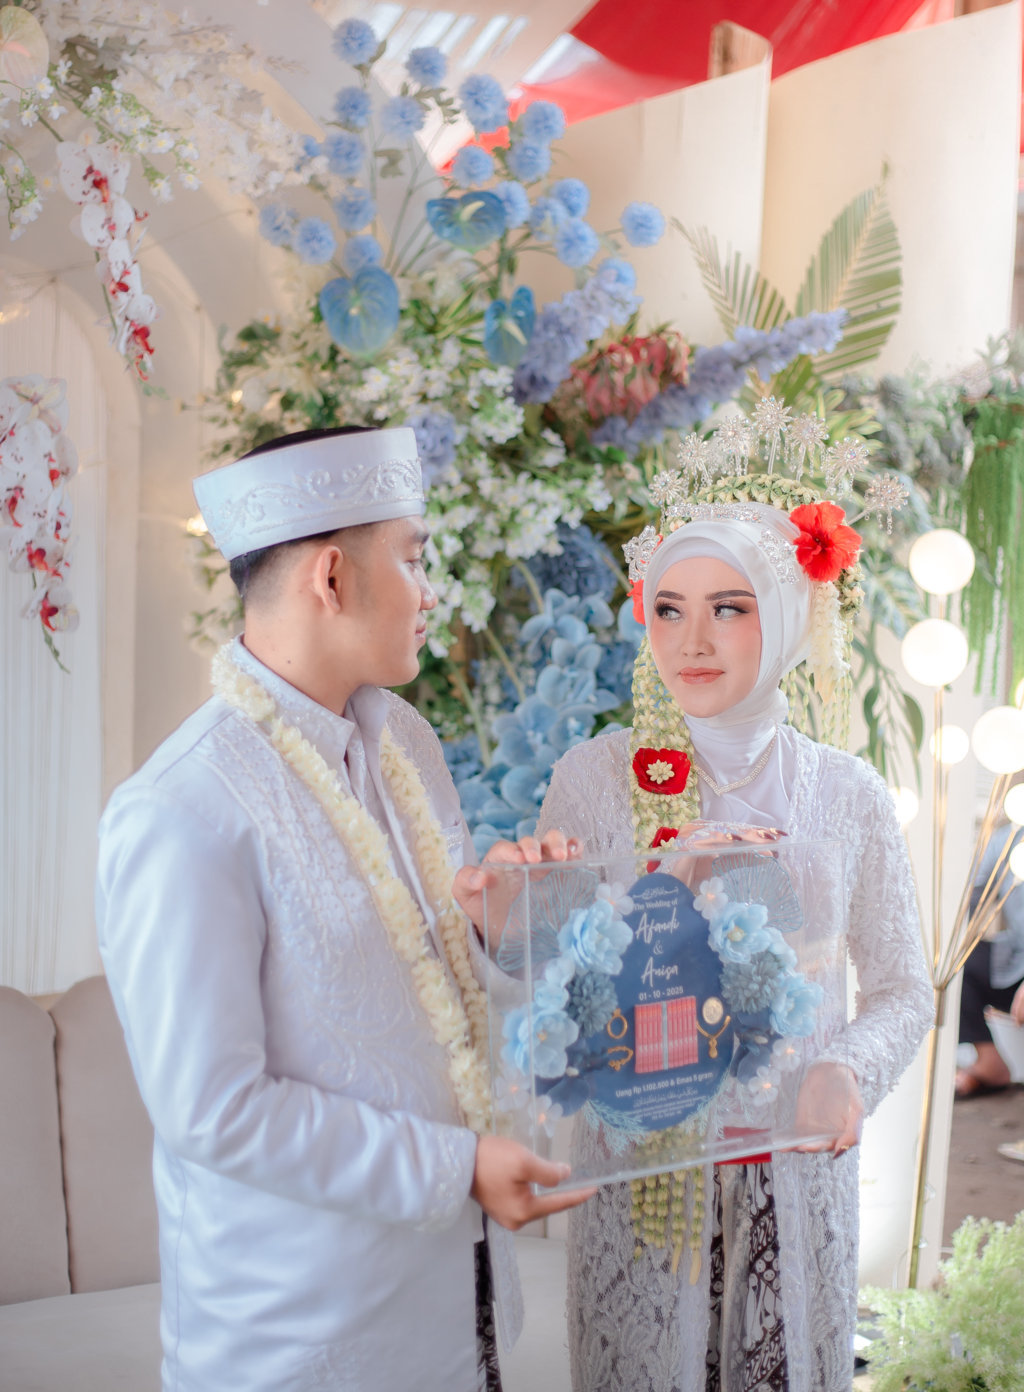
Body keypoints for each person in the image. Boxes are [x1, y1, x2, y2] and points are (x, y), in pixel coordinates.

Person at [96, 425, 592, 1392]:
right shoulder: (181, 810)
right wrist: (455, 1169)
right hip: (299, 1341)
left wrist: (497, 924)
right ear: (331, 577)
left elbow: (428, 993)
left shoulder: (404, 741)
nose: (430, 590)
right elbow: (215, 1111)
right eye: (413, 557)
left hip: (460, 1316)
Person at [537, 486, 933, 1392]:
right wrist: (669, 887)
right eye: (669, 609)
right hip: (643, 1181)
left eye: (729, 608)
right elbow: (552, 985)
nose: (692, 641)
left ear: (788, 618)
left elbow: (903, 987)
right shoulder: (594, 779)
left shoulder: (847, 794)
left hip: (791, 1180)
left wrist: (846, 1072)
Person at [955, 819, 1024, 1097]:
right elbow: (971, 898)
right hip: (1017, 962)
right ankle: (989, 1061)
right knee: (957, 963)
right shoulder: (1006, 839)